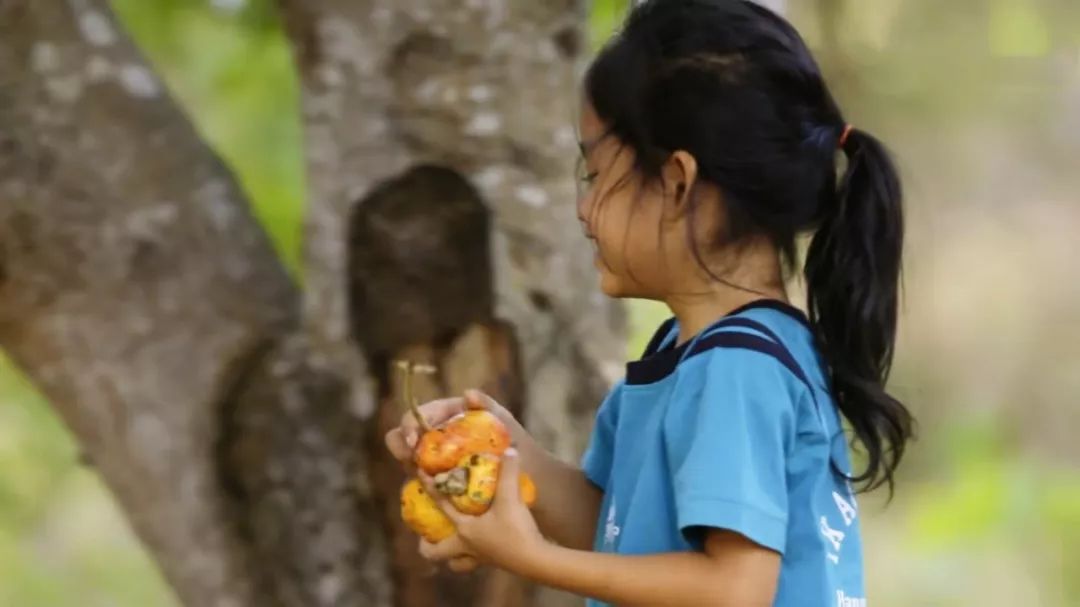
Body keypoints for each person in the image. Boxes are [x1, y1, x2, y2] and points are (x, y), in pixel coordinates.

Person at [385, 0, 914, 604]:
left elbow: (733, 588)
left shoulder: (735, 369)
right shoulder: (697, 353)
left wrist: (533, 558)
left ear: (677, 183)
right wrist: (511, 456)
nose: (584, 210)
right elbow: (621, 538)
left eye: (595, 174)